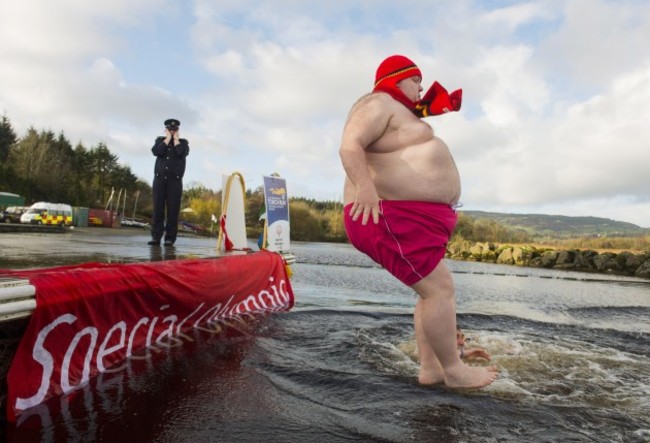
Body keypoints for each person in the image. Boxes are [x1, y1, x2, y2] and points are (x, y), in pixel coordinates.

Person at [339, 54, 498, 389]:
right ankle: (454, 372)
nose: (422, 88)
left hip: (412, 219)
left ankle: (434, 366)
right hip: (385, 214)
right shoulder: (376, 102)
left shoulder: (400, 114)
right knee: (439, 289)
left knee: (431, 292)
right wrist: (365, 188)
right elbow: (349, 145)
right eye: (416, 80)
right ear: (395, 79)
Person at [148, 118, 190, 246]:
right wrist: (166, 139)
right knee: (158, 209)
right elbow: (157, 152)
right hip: (159, 179)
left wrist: (176, 140)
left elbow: (181, 153)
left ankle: (170, 238)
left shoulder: (183, 143)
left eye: (174, 129)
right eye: (169, 129)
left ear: (178, 130)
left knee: (173, 210)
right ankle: (156, 237)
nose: (172, 131)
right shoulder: (160, 141)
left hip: (175, 181)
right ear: (165, 130)